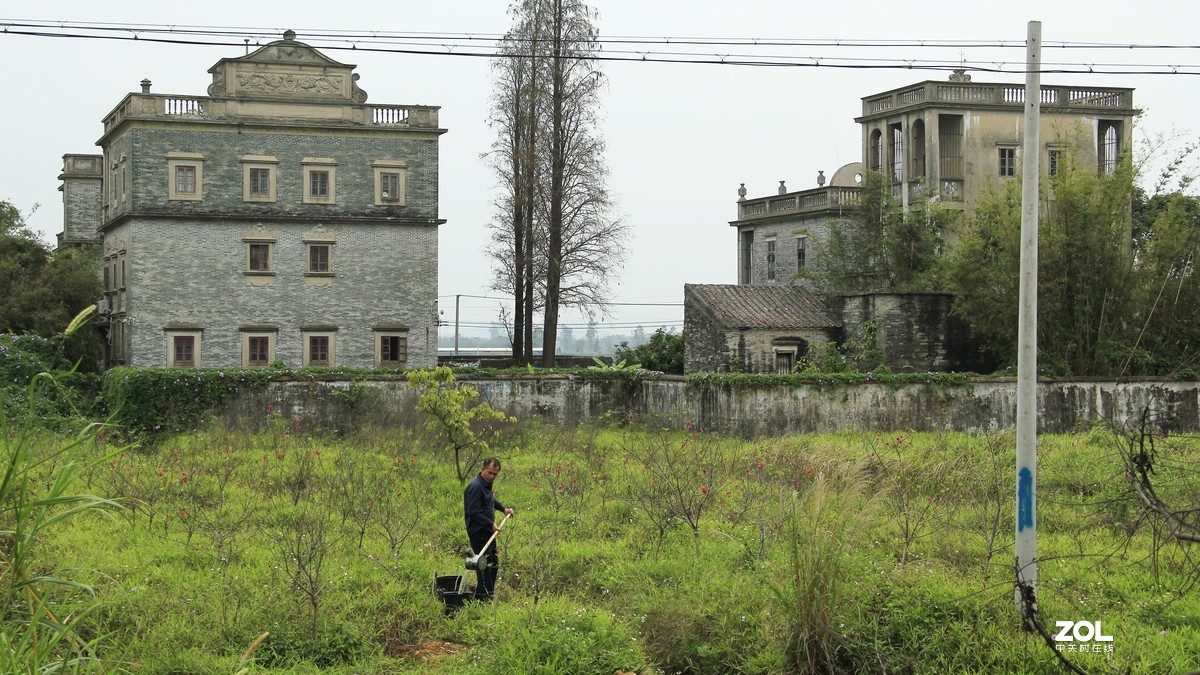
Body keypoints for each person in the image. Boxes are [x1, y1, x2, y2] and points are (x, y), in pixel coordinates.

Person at [463, 457, 514, 600]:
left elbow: (490, 500)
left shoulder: (485, 485)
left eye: (495, 474)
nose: (492, 476)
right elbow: (473, 512)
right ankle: (484, 599)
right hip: (478, 532)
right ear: (483, 469)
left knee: (493, 564)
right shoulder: (476, 486)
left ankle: (484, 595)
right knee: (483, 565)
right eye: (489, 473)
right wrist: (491, 524)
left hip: (488, 531)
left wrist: (504, 509)